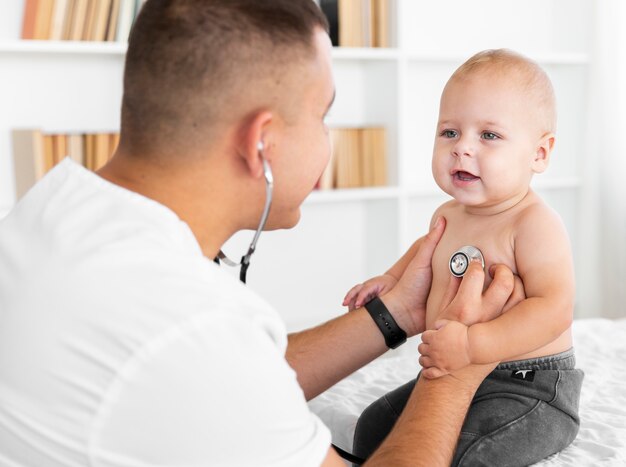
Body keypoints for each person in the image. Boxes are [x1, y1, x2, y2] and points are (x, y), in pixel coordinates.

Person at [0, 2, 522, 466]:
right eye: (323, 116)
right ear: (262, 142)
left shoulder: (54, 208)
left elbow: (220, 384)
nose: (327, 143)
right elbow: (203, 356)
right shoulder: (189, 325)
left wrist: (397, 315)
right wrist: (457, 369)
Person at [344, 49, 585, 465]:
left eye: (489, 136)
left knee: (471, 453)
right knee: (372, 429)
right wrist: (390, 280)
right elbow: (425, 251)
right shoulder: (448, 213)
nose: (463, 149)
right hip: (456, 369)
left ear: (539, 154)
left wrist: (474, 345)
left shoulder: (533, 224)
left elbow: (555, 308)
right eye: (450, 133)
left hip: (528, 384)